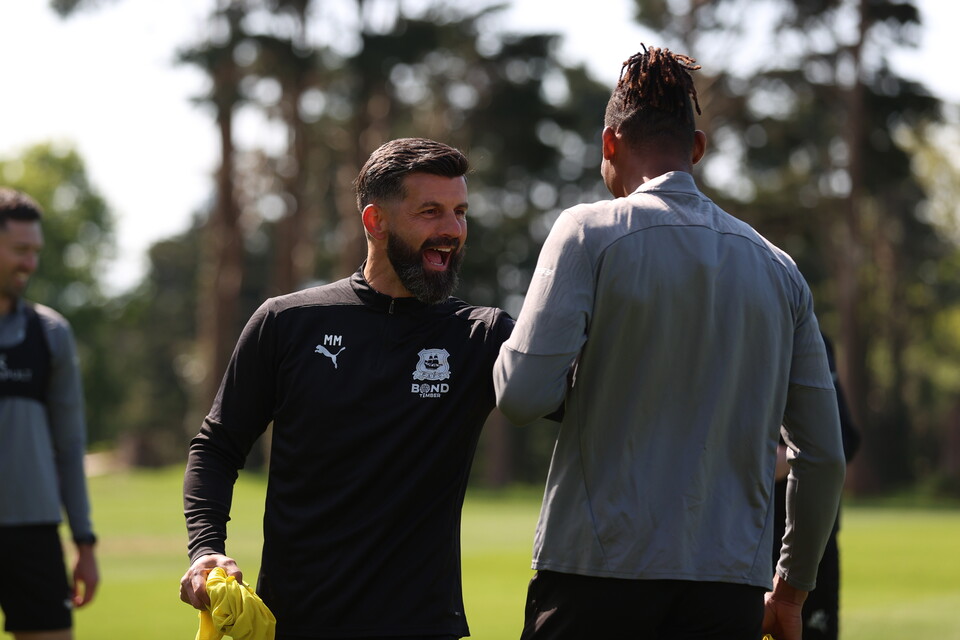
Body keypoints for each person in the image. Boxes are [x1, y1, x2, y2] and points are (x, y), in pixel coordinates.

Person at [492, 45, 847, 640]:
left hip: (594, 579)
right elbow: (825, 456)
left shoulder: (587, 232)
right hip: (729, 590)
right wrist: (790, 591)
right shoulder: (780, 270)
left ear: (609, 144)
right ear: (698, 150)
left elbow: (522, 395)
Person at [179, 138, 514, 640]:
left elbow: (591, 399)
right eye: (430, 211)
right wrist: (206, 548)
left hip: (423, 627)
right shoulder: (287, 322)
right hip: (295, 625)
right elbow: (217, 446)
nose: (452, 230)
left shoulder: (481, 336)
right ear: (375, 222)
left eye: (460, 212)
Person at [0, 188, 99, 640]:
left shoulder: (51, 334)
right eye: (20, 250)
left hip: (34, 536)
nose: (31, 264)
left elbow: (69, 443)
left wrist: (84, 541)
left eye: (35, 251)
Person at [772, 334, 860, 640]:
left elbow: (842, 441)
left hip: (812, 540)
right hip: (745, 543)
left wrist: (784, 459)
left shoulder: (810, 338)